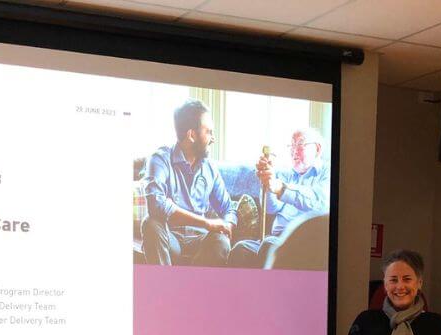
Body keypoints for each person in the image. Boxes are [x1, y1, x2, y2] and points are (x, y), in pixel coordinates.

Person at [141, 99, 236, 267]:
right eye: (209, 132)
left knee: (221, 241)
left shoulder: (210, 168)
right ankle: (165, 290)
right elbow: (156, 204)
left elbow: (228, 208)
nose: (213, 138)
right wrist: (206, 222)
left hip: (202, 241)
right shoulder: (160, 159)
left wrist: (227, 224)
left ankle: (196, 290)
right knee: (151, 224)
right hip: (171, 238)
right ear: (191, 135)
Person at [229, 127, 330, 268]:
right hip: (275, 238)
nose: (294, 150)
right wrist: (267, 184)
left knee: (268, 245)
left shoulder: (327, 173)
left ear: (317, 149)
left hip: (303, 244)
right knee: (241, 249)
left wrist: (280, 188)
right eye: (291, 145)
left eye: (300, 144)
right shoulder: (288, 174)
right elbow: (271, 208)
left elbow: (318, 202)